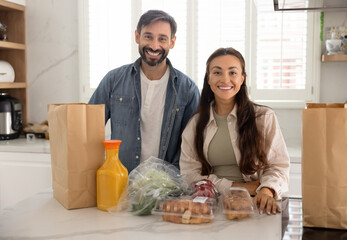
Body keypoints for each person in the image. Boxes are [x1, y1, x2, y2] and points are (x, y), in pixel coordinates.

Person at [180, 47, 289, 215]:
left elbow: (278, 166)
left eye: (232, 73)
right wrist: (241, 188)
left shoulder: (263, 117)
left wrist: (266, 190)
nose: (225, 80)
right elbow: (189, 175)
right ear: (208, 79)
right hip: (212, 206)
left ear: (242, 78)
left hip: (257, 202)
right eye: (217, 72)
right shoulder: (195, 124)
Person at [89, 10, 200, 172]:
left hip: (165, 187)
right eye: (148, 36)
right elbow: (89, 128)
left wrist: (170, 181)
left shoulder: (188, 89)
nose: (154, 46)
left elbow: (191, 147)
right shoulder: (113, 80)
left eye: (162, 39)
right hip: (120, 181)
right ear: (137, 36)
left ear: (172, 42)